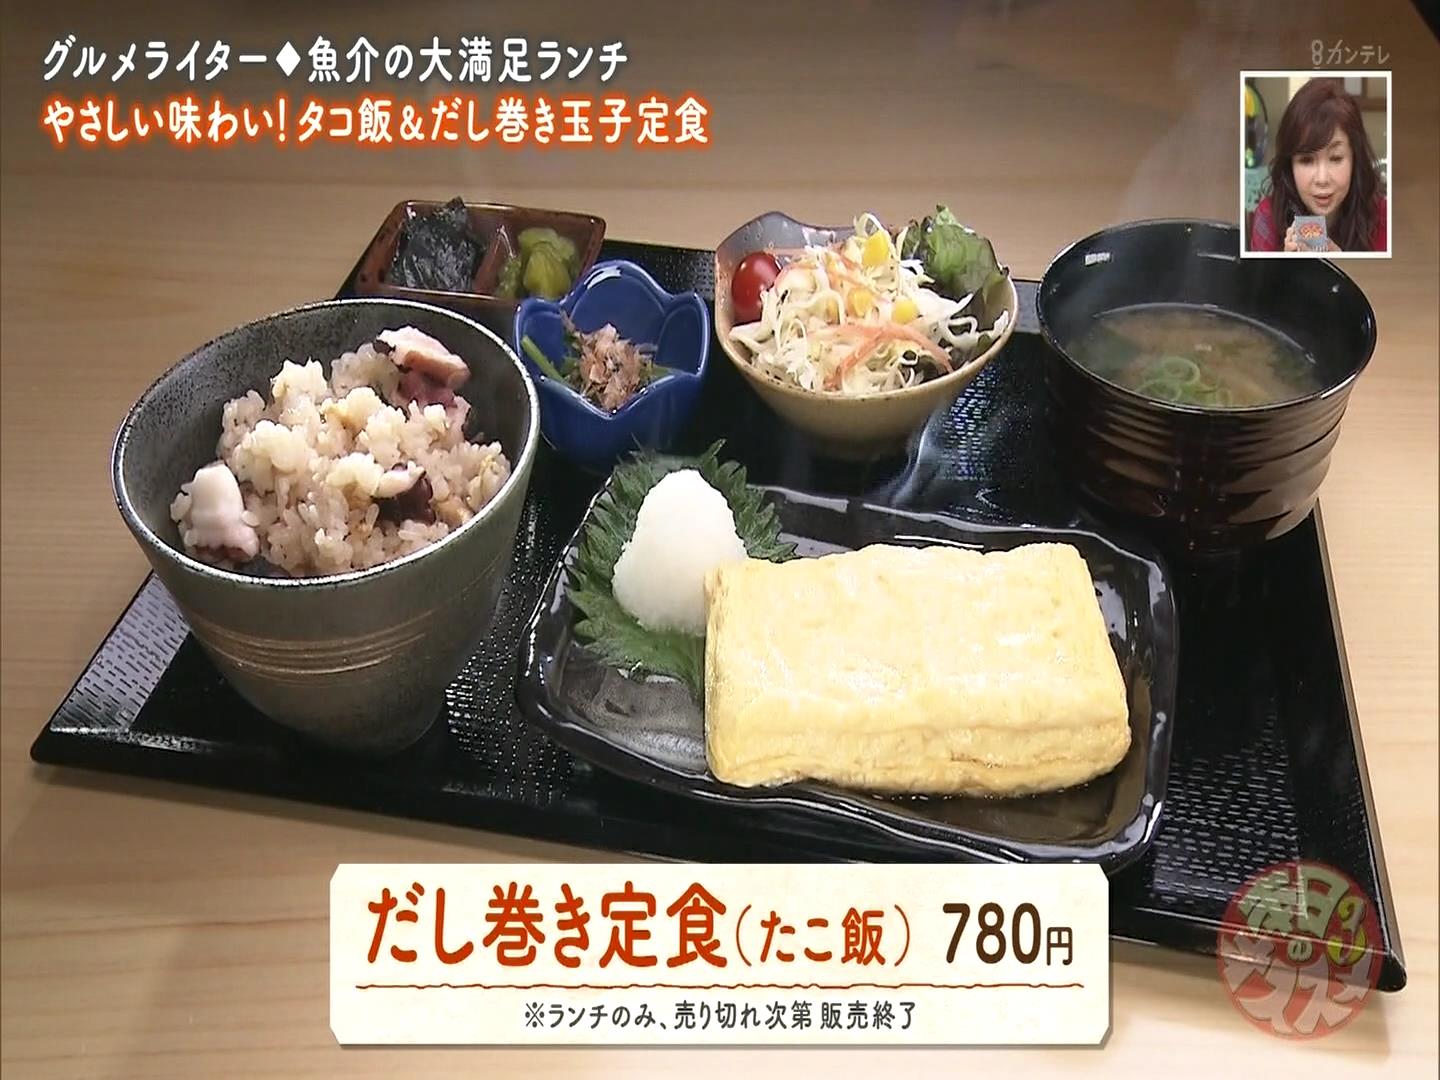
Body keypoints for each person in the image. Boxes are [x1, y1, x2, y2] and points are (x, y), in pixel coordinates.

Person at [1249, 78, 1387, 253]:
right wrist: (1284, 265)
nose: (1322, 179)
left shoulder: (1384, 217)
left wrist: (1345, 264)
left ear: (1355, 158)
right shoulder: (1269, 217)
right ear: (1290, 164)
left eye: (1336, 158)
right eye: (1307, 160)